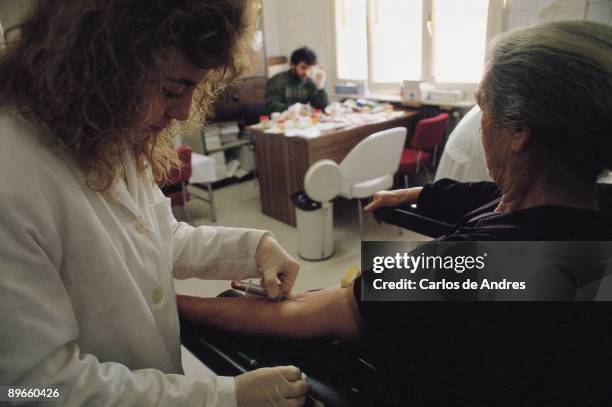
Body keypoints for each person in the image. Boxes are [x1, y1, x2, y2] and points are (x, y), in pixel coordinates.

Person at [177, 21, 612, 405]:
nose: (481, 122)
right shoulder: (589, 209)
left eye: (485, 106)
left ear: (519, 132)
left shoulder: (477, 266)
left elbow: (300, 319)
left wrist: (178, 304)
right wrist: (412, 196)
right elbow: (486, 195)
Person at [0, 1, 309, 406]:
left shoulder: (105, 129)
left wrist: (253, 247)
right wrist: (217, 397)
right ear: (99, 64)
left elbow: (161, 238)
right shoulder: (13, 174)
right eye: (172, 89)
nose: (182, 111)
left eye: (194, 89)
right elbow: (29, 386)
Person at [264, 46, 329, 115]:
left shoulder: (309, 82)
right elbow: (271, 107)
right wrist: (294, 109)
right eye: (303, 67)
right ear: (292, 65)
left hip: (300, 123)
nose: (306, 73)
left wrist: (320, 88)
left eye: (310, 68)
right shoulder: (277, 81)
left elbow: (323, 109)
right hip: (280, 123)